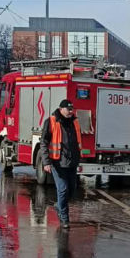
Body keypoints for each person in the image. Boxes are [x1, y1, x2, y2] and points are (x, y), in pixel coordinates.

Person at [40, 98, 82, 228]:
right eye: (68, 109)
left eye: (72, 109)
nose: (71, 111)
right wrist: (46, 162)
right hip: (57, 162)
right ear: (61, 109)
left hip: (72, 162)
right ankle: (64, 218)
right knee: (62, 189)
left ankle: (59, 206)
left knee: (72, 190)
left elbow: (77, 142)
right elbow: (44, 142)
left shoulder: (74, 122)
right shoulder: (51, 121)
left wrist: (80, 158)